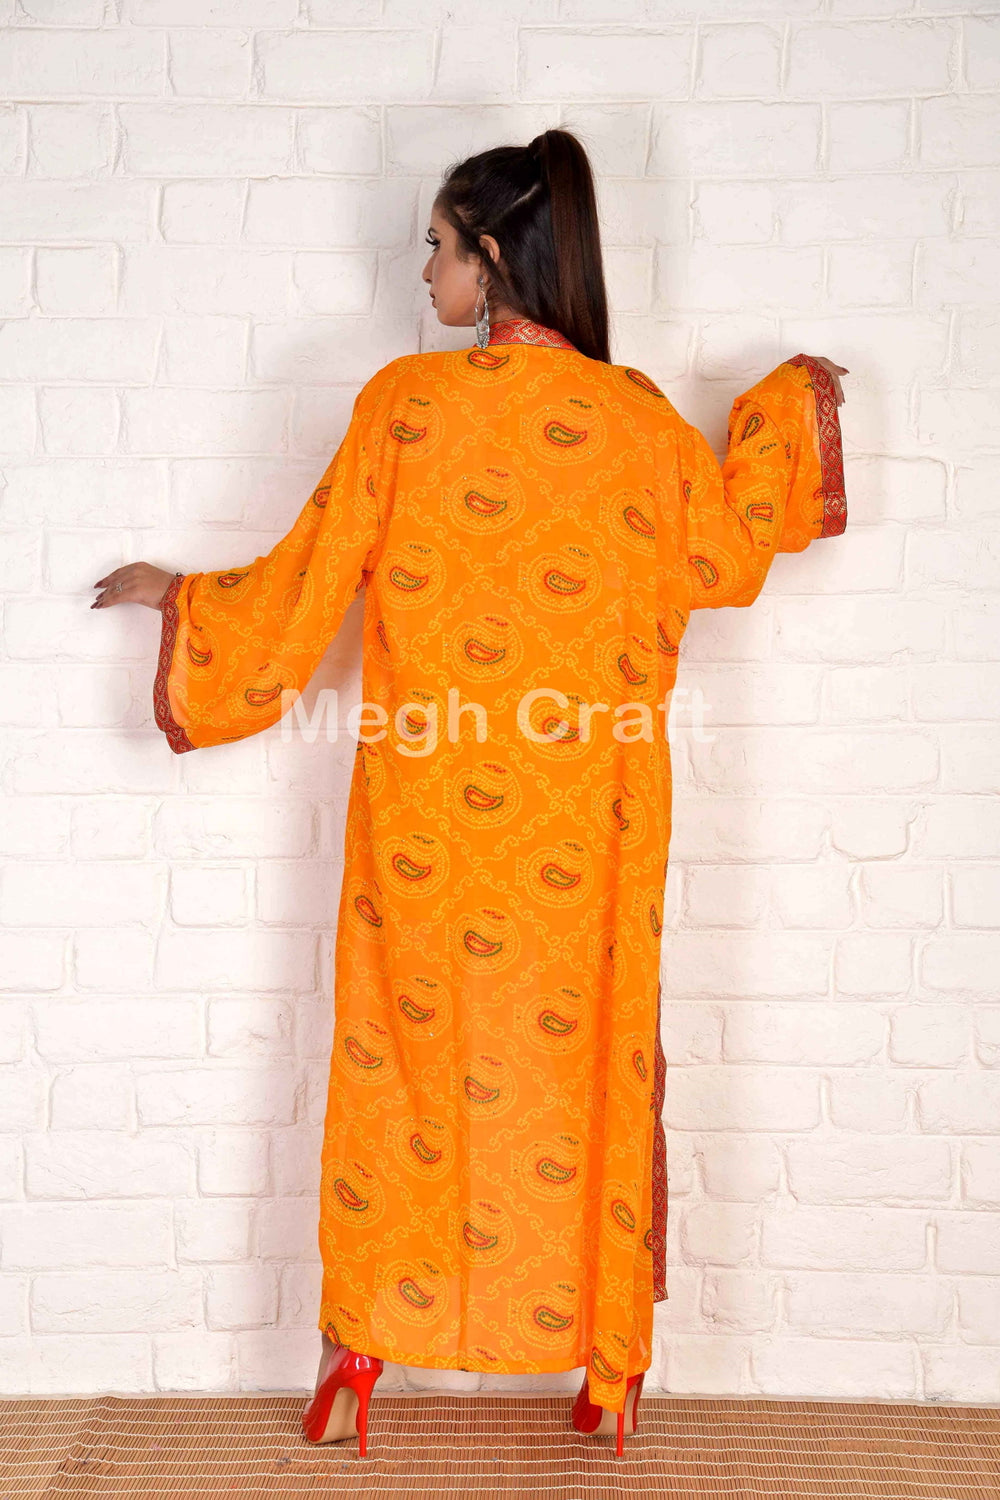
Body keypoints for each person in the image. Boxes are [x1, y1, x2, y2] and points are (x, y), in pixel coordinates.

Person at [91, 128, 848, 1459]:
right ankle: (607, 1369)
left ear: (493, 255)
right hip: (592, 820)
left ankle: (360, 1351)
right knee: (584, 1067)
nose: (425, 274)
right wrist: (784, 411)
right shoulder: (641, 426)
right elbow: (728, 558)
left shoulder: (406, 405)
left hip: (428, 821)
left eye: (436, 246)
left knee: (406, 1066)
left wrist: (188, 601)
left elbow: (310, 576)